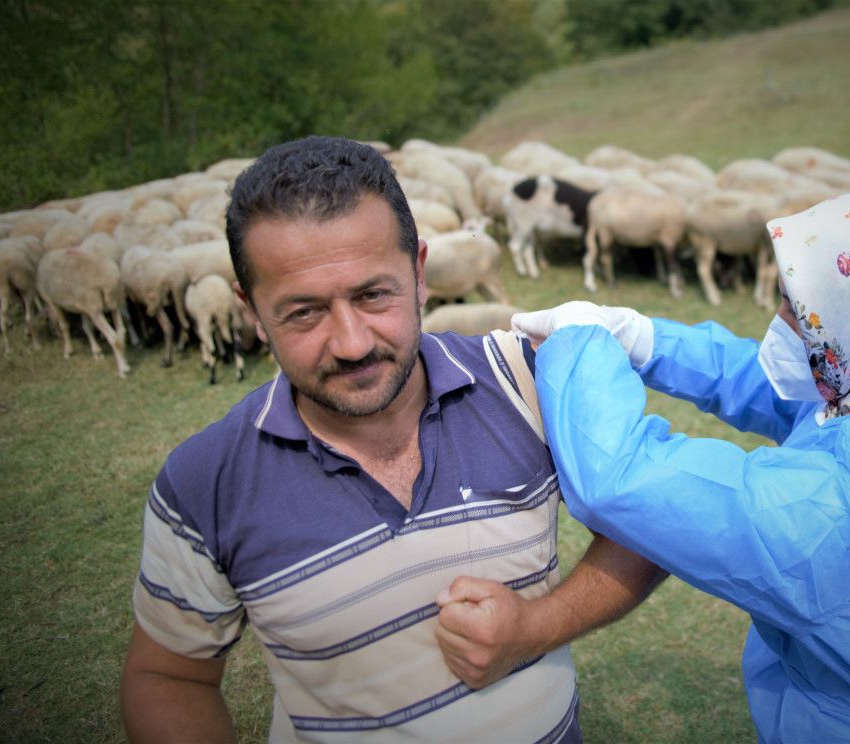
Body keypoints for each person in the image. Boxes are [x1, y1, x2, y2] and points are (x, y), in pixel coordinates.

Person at [119, 136, 664, 743]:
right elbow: (169, 677)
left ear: (421, 272)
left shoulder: (527, 382)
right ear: (251, 311)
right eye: (303, 312)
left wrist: (539, 625)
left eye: (374, 294)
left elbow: (652, 522)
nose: (352, 343)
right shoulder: (206, 484)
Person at [512, 189, 850, 743]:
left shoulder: (838, 510)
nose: (778, 317)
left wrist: (580, 344)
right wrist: (644, 339)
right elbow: (791, 391)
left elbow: (623, 483)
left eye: (799, 308)